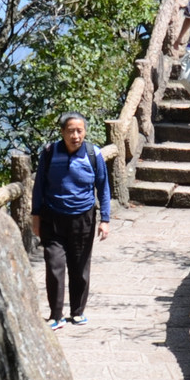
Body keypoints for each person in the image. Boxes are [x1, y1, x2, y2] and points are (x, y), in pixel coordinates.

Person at [31, 112, 110, 328]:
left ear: (84, 131)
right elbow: (38, 187)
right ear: (62, 132)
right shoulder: (49, 153)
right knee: (54, 265)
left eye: (79, 131)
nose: (75, 135)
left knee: (79, 267)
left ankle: (77, 311)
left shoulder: (93, 154)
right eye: (70, 131)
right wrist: (35, 216)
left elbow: (103, 187)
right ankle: (56, 316)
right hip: (52, 218)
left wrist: (105, 219)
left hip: (83, 218)